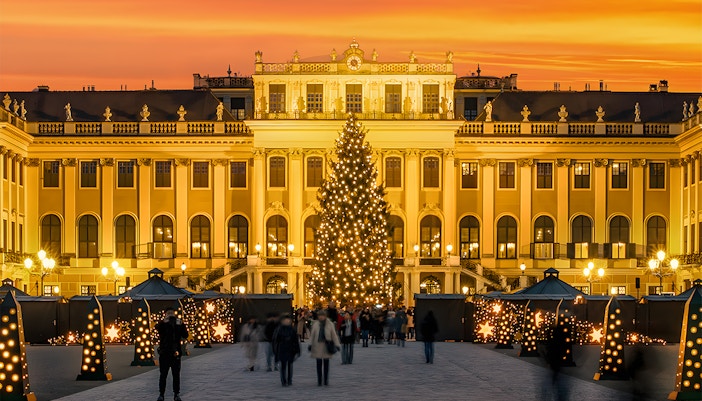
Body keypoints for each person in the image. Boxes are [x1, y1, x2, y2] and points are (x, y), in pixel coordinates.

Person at [155, 307, 188, 401]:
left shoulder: (178, 323)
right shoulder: (163, 324)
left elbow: (185, 335)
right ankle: (163, 394)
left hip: (173, 353)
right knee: (165, 375)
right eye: (168, 313)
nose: (170, 315)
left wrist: (181, 325)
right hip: (166, 352)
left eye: (171, 313)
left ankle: (174, 394)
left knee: (174, 375)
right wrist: (163, 322)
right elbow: (157, 329)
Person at [309, 310, 340, 386]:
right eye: (320, 315)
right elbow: (312, 335)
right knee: (318, 364)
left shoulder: (330, 324)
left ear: (325, 316)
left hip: (327, 345)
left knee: (326, 364)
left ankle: (325, 380)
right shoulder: (315, 324)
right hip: (317, 345)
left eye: (323, 315)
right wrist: (310, 344)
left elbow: (334, 335)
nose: (321, 317)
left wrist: (337, 344)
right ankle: (319, 380)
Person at [272, 314, 300, 387]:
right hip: (282, 349)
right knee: (283, 365)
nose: (287, 321)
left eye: (288, 320)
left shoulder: (292, 329)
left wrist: (297, 350)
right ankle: (283, 381)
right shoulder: (279, 329)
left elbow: (296, 341)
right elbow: (275, 341)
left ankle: (289, 380)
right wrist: (275, 350)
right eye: (285, 320)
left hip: (290, 349)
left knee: (290, 365)